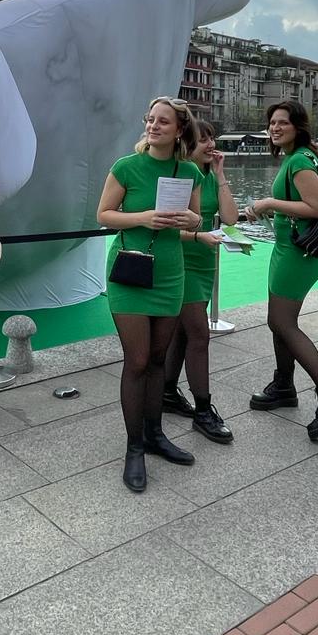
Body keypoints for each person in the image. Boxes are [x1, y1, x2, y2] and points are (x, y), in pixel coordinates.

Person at [98, 96, 204, 492]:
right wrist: (143, 217)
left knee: (159, 358)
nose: (154, 126)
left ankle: (156, 435)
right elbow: (104, 216)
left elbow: (192, 220)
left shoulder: (189, 171)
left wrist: (194, 219)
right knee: (138, 359)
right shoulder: (126, 167)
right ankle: (134, 449)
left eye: (163, 121)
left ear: (178, 129)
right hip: (129, 268)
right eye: (150, 119)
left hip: (170, 272)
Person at [246, 101, 318, 438]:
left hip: (297, 253)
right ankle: (283, 385)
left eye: (283, 122)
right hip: (288, 248)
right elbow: (299, 206)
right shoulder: (295, 158)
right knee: (280, 322)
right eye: (272, 123)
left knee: (281, 321)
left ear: (298, 126)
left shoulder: (299, 160)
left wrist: (268, 203)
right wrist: (273, 211)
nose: (275, 128)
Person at [162, 119, 238, 443]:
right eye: (203, 140)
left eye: (212, 139)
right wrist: (198, 236)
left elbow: (231, 219)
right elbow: (163, 228)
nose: (211, 145)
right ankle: (204, 410)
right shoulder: (177, 178)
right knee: (199, 334)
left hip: (206, 263)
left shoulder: (207, 175)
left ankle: (166, 392)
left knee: (181, 334)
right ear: (187, 144)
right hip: (181, 263)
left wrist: (220, 175)